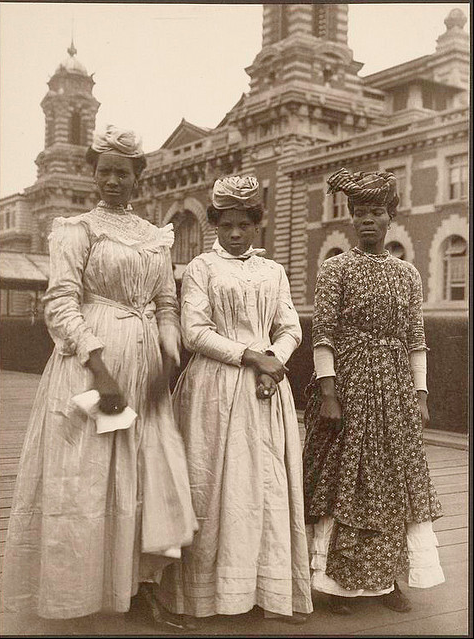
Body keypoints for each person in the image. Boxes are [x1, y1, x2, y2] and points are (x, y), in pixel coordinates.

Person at [2, 125, 197, 624]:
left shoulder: (157, 237)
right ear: (95, 174)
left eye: (123, 173)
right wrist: (97, 365)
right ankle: (77, 590)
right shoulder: (76, 228)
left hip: (145, 364)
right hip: (91, 366)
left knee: (147, 477)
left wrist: (169, 348)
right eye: (104, 171)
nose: (112, 181)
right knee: (87, 477)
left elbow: (167, 302)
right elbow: (61, 302)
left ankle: (141, 586)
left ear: (138, 177)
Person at [157, 176, 313, 624]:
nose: (236, 233)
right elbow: (194, 332)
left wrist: (274, 362)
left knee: (265, 486)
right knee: (217, 487)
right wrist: (250, 357)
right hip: (216, 386)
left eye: (245, 224)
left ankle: (267, 591)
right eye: (227, 225)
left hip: (267, 390)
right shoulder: (202, 268)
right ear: (215, 225)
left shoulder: (273, 271)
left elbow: (290, 328)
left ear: (257, 224)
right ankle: (212, 596)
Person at [302, 168, 444, 615]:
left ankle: (388, 581)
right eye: (360, 212)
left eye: (376, 212)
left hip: (395, 389)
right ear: (351, 219)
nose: (368, 220)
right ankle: (331, 582)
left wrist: (419, 394)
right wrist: (328, 392)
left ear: (390, 218)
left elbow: (416, 336)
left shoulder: (407, 274)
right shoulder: (336, 268)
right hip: (348, 382)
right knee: (346, 480)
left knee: (392, 482)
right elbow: (323, 332)